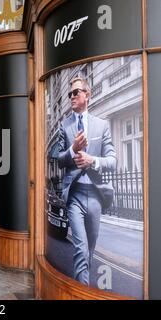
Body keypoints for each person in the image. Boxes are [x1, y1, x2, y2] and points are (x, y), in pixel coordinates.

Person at [57, 77, 116, 286]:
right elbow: (59, 159)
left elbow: (112, 160)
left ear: (87, 95)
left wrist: (93, 160)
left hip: (96, 197)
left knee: (89, 250)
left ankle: (83, 288)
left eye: (76, 93)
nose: (72, 96)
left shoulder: (102, 126)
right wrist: (73, 149)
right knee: (80, 249)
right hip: (75, 195)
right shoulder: (64, 126)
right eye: (70, 94)